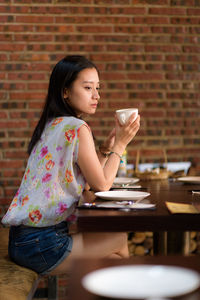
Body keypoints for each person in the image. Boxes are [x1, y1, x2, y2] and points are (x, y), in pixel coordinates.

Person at [2, 55, 140, 275]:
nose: (96, 96)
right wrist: (121, 144)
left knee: (112, 261)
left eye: (98, 88)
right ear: (65, 91)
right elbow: (102, 185)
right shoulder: (77, 127)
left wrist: (105, 149)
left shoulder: (52, 124)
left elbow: (87, 184)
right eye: (87, 88)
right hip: (43, 245)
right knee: (119, 240)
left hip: (23, 241)